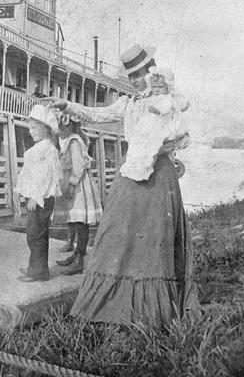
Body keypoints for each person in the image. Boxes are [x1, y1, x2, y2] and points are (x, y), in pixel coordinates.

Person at [50, 43, 198, 326]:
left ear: (151, 71)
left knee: (155, 238)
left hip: (159, 174)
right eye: (130, 76)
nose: (135, 80)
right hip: (131, 174)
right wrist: (68, 105)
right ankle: (111, 302)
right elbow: (97, 115)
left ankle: (152, 309)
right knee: (115, 231)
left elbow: (182, 134)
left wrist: (165, 147)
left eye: (139, 74)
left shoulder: (168, 101)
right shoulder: (129, 104)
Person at [14, 105, 62, 282]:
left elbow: (47, 176)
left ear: (46, 128)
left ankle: (39, 271)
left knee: (36, 234)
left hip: (41, 197)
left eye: (34, 128)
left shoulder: (47, 148)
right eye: (30, 128)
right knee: (34, 233)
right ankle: (34, 267)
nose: (30, 131)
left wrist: (36, 196)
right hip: (36, 196)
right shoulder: (41, 147)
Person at [55, 114, 102, 275]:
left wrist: (71, 184)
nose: (58, 131)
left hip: (78, 185)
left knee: (81, 221)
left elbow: (78, 166)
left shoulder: (74, 141)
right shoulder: (70, 140)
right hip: (75, 182)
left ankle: (79, 259)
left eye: (60, 128)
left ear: (69, 127)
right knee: (75, 219)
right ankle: (75, 254)